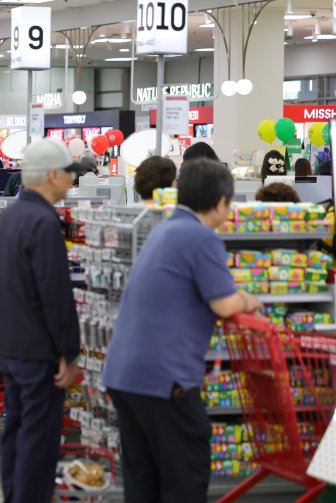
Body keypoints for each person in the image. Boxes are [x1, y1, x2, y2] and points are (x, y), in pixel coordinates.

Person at [101, 158, 263, 503]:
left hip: (124, 374)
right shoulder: (201, 238)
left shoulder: (164, 229)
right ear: (220, 201)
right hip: (164, 378)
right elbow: (225, 304)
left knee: (143, 480)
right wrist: (249, 299)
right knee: (186, 475)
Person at [0, 137, 81, 503]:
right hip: (39, 350)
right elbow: (55, 294)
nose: (72, 180)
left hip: (12, 343)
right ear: (52, 175)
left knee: (16, 428)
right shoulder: (44, 222)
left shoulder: (11, 215)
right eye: (68, 173)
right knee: (39, 438)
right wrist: (68, 352)